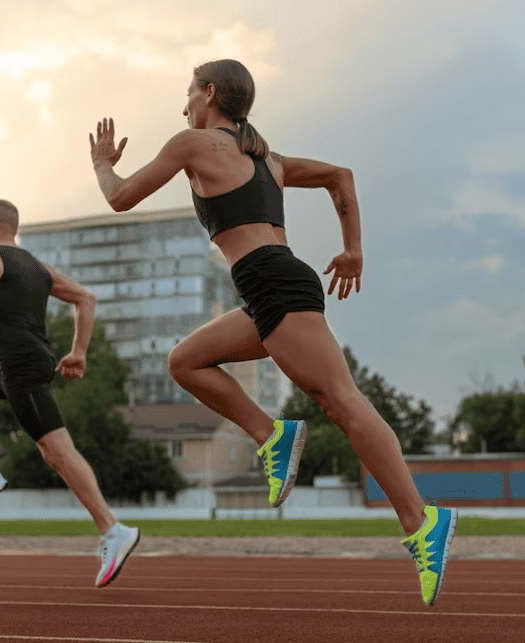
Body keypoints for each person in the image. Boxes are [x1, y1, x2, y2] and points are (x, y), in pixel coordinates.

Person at [88, 59, 456, 605]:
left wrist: (101, 164)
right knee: (185, 361)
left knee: (343, 403)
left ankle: (421, 521)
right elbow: (341, 176)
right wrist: (352, 247)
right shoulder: (268, 159)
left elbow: (119, 197)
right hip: (269, 288)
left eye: (188, 94)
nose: (183, 105)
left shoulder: (193, 144)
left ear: (210, 94)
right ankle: (271, 435)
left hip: (273, 283)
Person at [0, 199, 139, 588]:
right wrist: (77, 352)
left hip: (22, 369)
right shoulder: (39, 268)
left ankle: (113, 530)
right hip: (20, 364)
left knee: (58, 452)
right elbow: (86, 298)